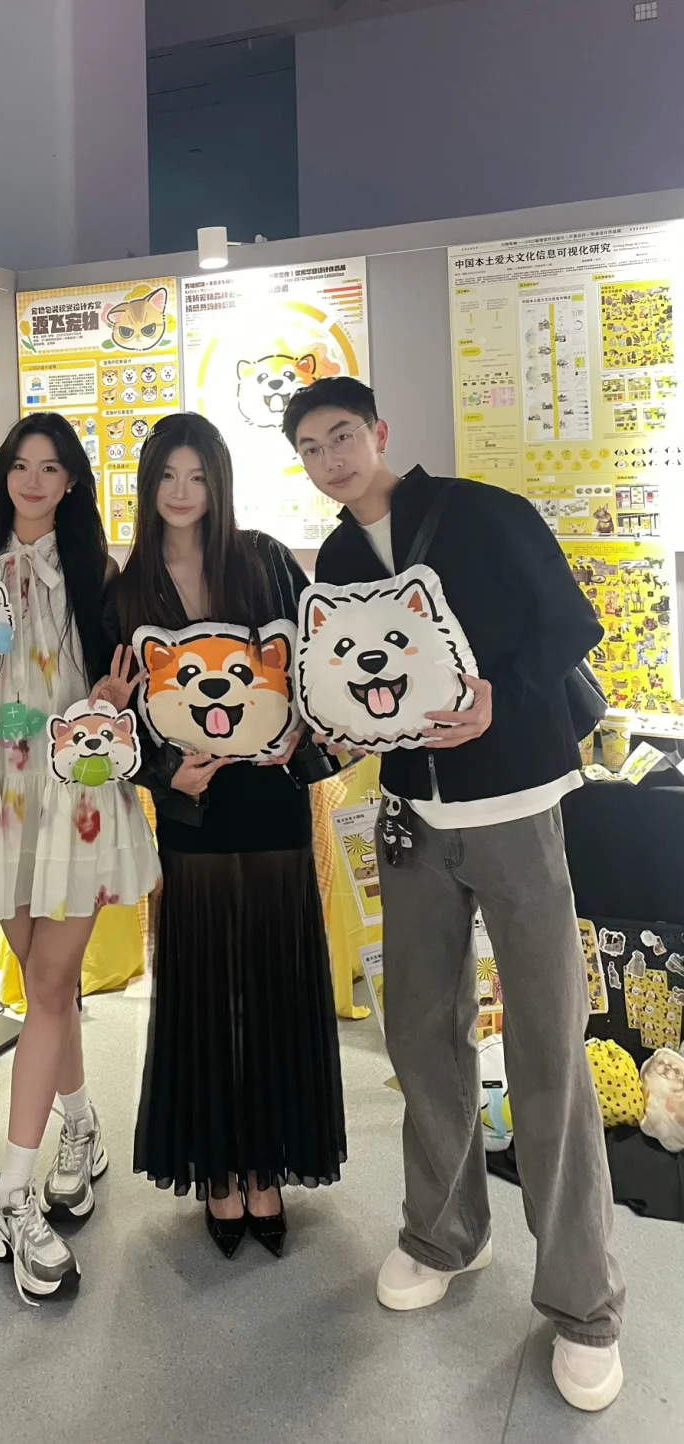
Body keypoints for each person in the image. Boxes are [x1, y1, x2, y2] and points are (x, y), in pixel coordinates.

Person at [287, 376, 624, 1412]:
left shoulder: (483, 512)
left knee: (548, 1042)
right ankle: (443, 1233)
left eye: (343, 436)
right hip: (411, 820)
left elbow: (568, 626)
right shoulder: (339, 561)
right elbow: (359, 684)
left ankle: (585, 1300)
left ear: (380, 431)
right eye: (311, 448)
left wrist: (496, 702)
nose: (332, 459)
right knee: (422, 1033)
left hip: (517, 804)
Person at [0, 413, 159, 1305]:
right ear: (2, 476)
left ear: (71, 483)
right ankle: (81, 1126)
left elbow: (106, 690)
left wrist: (108, 695)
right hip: (0, 798)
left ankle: (11, 1196)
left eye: (50, 468)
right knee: (42, 983)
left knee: (52, 984)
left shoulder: (99, 573)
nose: (33, 480)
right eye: (20, 465)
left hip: (76, 798)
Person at [102, 412, 346, 1258]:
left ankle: (268, 1160)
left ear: (219, 482)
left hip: (271, 799)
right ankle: (217, 1164)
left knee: (276, 979)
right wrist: (162, 773)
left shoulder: (265, 560)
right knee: (204, 987)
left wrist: (301, 731)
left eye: (198, 476)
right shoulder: (126, 589)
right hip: (193, 809)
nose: (182, 493)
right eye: (168, 476)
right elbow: (110, 712)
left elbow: (316, 666)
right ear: (147, 484)